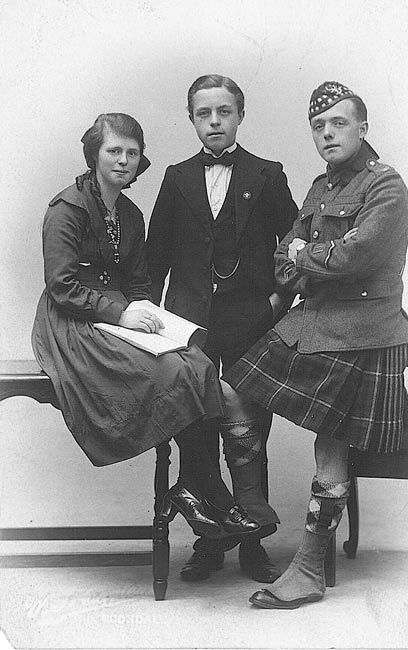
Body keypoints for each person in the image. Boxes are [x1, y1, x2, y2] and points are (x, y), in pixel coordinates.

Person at [223, 81, 408, 609]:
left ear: (362, 127)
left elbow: (358, 255)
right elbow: (284, 258)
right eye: (319, 126)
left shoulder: (387, 186)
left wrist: (305, 255)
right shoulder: (318, 188)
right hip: (316, 320)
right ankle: (252, 505)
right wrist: (307, 254)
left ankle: (308, 569)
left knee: (329, 444)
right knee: (233, 389)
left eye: (338, 123)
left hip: (365, 331)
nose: (328, 133)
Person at [31, 112, 261, 541]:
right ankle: (206, 485)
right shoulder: (67, 209)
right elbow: (61, 286)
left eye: (132, 153)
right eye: (113, 151)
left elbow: (139, 283)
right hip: (71, 322)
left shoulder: (131, 214)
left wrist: (147, 318)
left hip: (119, 316)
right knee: (172, 372)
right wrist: (121, 315)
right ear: (94, 155)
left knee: (197, 362)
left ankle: (195, 483)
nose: (123, 160)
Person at [145, 75, 298, 582]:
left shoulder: (268, 174)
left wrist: (278, 301)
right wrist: (155, 326)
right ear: (191, 119)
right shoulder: (176, 177)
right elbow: (155, 259)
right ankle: (209, 543)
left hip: (253, 325)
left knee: (250, 428)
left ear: (240, 115)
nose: (214, 121)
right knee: (197, 430)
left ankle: (254, 543)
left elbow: (294, 248)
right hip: (189, 329)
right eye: (203, 113)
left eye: (224, 112)